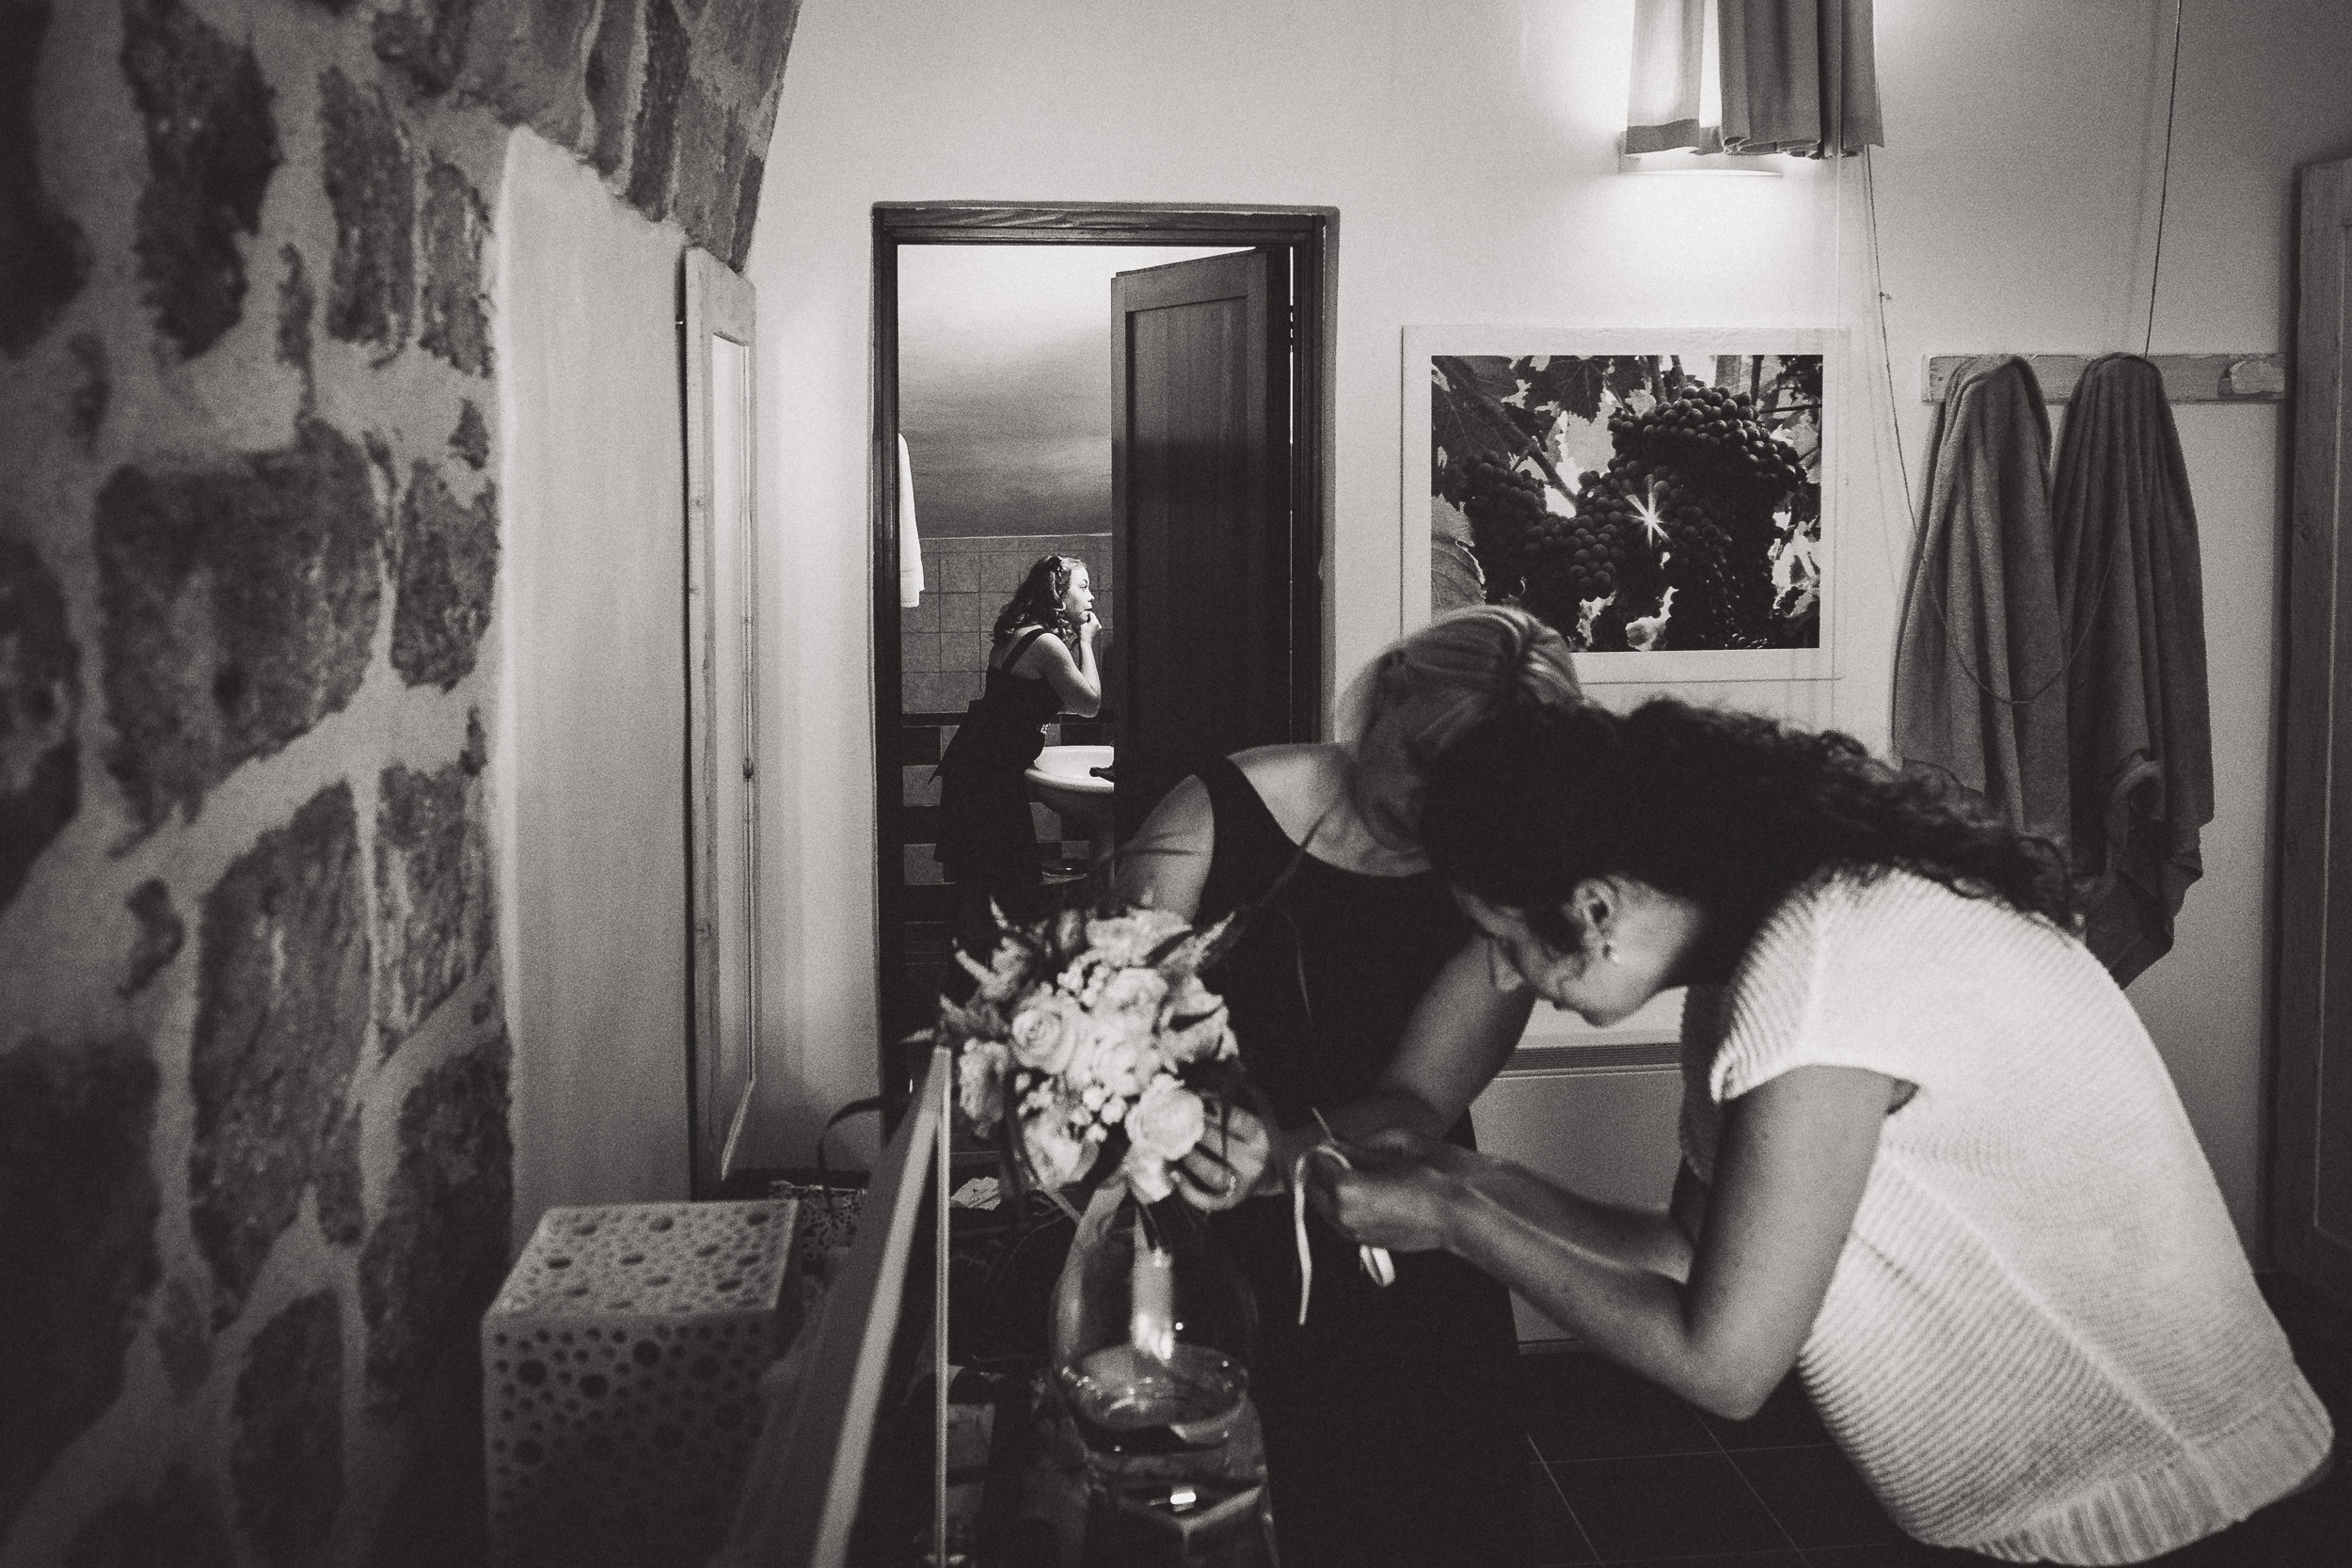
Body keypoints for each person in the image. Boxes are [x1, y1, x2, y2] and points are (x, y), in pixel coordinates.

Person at [1311, 699, 2335, 1566]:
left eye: (1501, 940)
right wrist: (1470, 1177)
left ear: (1593, 905)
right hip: (2104, 1504)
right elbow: (1687, 1255)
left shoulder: (1823, 967)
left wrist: (1453, 1215)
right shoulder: (1766, 965)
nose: (1498, 977)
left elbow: (1726, 1363)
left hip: (2183, 1507)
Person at [1112, 604, 1583, 1568]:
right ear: (1391, 692)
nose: (1430, 809)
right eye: (1421, 761)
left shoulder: (1493, 880)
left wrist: (1274, 1154)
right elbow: (1108, 1032)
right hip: (1202, 1242)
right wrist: (1190, 1129)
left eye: (1472, 793)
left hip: (1403, 1243)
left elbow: (1419, 1098)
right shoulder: (1209, 817)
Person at [934, 555, 1102, 965]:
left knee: (986, 886)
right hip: (987, 777)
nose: (1092, 595)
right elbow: (1090, 703)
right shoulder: (1044, 643)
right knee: (1004, 884)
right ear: (1058, 595)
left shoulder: (1020, 634)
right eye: (1082, 586)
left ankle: (977, 980)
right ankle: (986, 987)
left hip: (979, 769)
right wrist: (1086, 642)